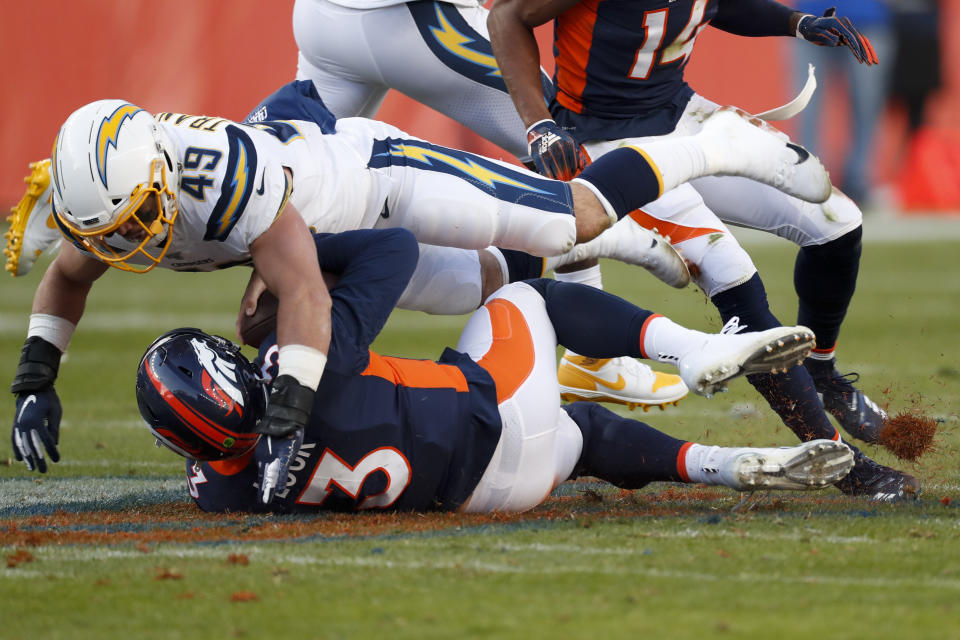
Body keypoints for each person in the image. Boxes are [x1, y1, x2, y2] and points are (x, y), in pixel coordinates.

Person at [8, 84, 830, 507]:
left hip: (377, 183)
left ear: (158, 167)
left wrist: (289, 415)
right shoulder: (103, 200)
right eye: (118, 226)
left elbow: (302, 288)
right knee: (494, 281)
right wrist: (36, 378)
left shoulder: (219, 175)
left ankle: (714, 145)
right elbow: (71, 272)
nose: (135, 236)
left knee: (565, 220)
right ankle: (624, 244)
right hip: (318, 236)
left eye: (144, 214)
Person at [488, 0, 920, 501]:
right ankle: (836, 456)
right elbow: (506, 17)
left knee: (838, 223)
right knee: (732, 273)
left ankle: (820, 370)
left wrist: (796, 22)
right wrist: (539, 124)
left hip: (684, 118)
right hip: (613, 147)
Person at [136, 227, 853, 513]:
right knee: (527, 296)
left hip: (487, 496)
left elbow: (214, 454)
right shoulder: (302, 365)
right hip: (491, 419)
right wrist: (293, 255)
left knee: (584, 436)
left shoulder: (219, 496)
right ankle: (693, 351)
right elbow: (391, 249)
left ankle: (729, 464)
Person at [291, 0, 692, 410]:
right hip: (411, 18)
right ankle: (595, 354)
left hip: (322, 18)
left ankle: (271, 377)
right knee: (557, 140)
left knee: (277, 184)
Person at [791, 1, 895, 205]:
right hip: (809, 17)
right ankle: (807, 180)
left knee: (867, 107)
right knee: (806, 104)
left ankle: (860, 183)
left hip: (868, 19)